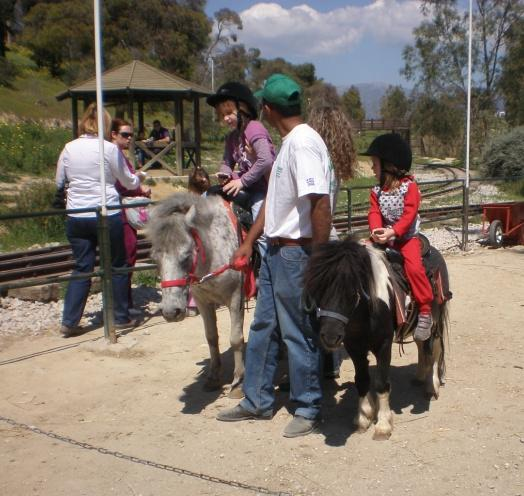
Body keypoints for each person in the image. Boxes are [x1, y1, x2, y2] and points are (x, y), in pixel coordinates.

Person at [216, 74, 335, 438]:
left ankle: (309, 405)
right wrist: (251, 240)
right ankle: (257, 400)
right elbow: (274, 200)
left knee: (297, 330)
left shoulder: (302, 145)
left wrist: (318, 255)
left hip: (296, 253)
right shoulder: (288, 144)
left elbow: (320, 202)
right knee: (264, 326)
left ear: (267, 109)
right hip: (275, 250)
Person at [56, 103, 146, 337]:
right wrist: (139, 179)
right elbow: (127, 181)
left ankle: (70, 320)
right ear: (105, 125)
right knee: (117, 264)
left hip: (76, 214)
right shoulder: (107, 149)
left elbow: (59, 180)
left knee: (82, 266)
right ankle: (120, 316)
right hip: (107, 212)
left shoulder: (68, 148)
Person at [365, 133, 434, 342]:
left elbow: (409, 214)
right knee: (360, 255)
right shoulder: (376, 190)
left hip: (406, 239)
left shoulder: (410, 187)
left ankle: (424, 310)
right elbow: (373, 212)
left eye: (374, 163)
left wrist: (393, 232)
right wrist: (377, 230)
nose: (371, 168)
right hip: (384, 237)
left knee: (414, 268)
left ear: (389, 165)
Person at [206, 82, 275, 256]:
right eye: (222, 115)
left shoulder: (254, 128)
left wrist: (241, 181)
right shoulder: (232, 137)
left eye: (229, 113)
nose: (226, 119)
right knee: (205, 198)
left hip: (262, 189)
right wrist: (225, 172)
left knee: (262, 230)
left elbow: (266, 160)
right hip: (245, 186)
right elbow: (227, 162)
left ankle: (267, 262)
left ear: (243, 108)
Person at [111, 118, 151, 315]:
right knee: (126, 255)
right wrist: (140, 190)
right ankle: (122, 306)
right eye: (125, 134)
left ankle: (124, 302)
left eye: (130, 135)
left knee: (128, 255)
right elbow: (122, 184)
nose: (129, 138)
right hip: (121, 210)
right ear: (113, 135)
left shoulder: (121, 156)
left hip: (123, 209)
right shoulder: (114, 156)